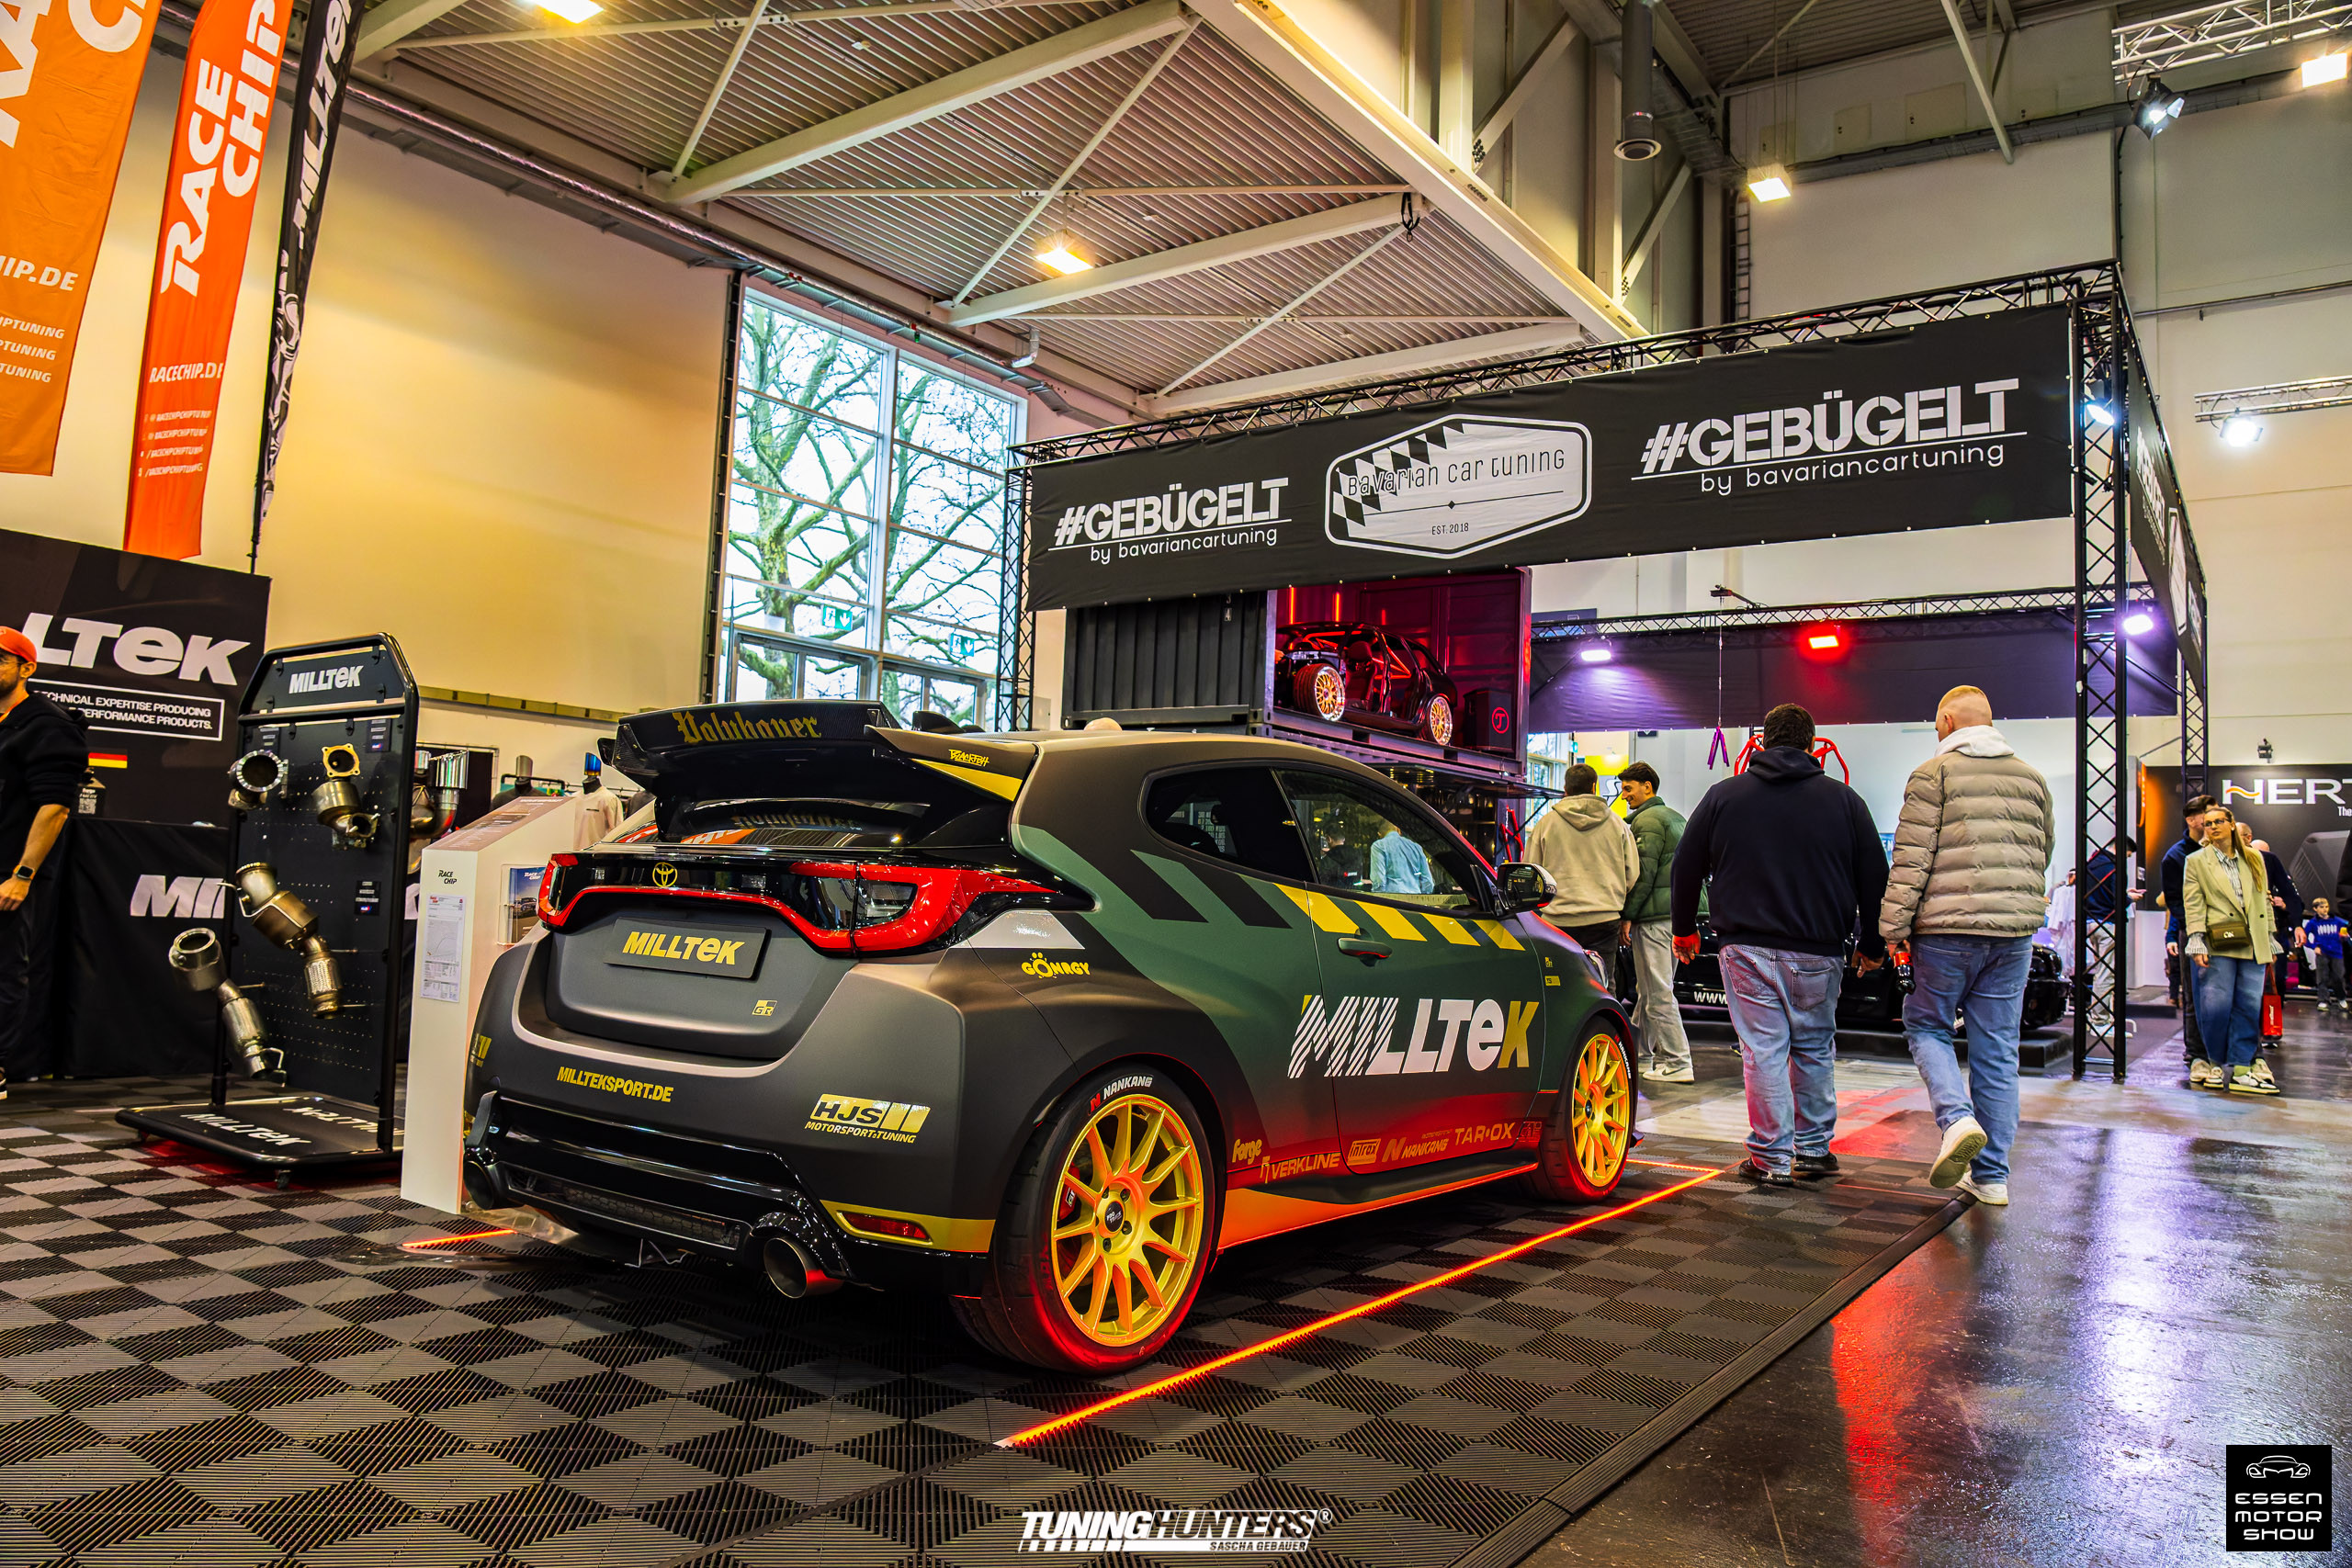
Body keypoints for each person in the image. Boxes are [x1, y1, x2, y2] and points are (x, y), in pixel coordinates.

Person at [1670, 704, 1887, 1187]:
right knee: (1814, 1047)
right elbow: (1875, 876)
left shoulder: (1724, 795)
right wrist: (1872, 942)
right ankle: (1812, 1149)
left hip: (1745, 947)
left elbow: (1685, 863)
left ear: (1763, 742)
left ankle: (1771, 1158)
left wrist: (1684, 927)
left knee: (1764, 1049)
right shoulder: (1845, 801)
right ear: (1813, 746)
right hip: (1820, 949)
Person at [1878, 686, 2054, 1205]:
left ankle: (1956, 1120)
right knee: (1997, 1049)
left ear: (1949, 722)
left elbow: (1911, 860)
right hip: (2013, 933)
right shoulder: (2031, 777)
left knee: (1926, 1025)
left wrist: (1892, 928)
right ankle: (1992, 1177)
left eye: (1937, 724)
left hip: (1946, 931)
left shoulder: (1933, 775)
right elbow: (2042, 850)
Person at [0, 626, 90, 1094]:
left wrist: (22, 874)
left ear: (26, 668)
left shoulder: (48, 725)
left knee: (3, 969)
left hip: (8, 871)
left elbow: (54, 808)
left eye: (0, 660)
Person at [2184, 806, 2278, 1094]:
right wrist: (2196, 939)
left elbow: (2263, 898)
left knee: (2248, 1006)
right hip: (2219, 940)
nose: (2212, 827)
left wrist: (2270, 936)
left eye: (2219, 822)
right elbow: (2193, 903)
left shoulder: (2254, 857)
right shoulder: (2196, 861)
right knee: (2215, 1007)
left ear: (2232, 824)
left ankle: (2241, 1068)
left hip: (2254, 939)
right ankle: (2214, 1062)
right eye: (2208, 823)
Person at [1525, 762, 1639, 981]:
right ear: (1594, 787)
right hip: (1604, 919)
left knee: (1559, 983)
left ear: (1565, 789)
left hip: (1557, 921)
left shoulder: (1546, 824)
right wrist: (1613, 895)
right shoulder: (1617, 824)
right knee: (1602, 982)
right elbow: (1632, 873)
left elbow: (1532, 871)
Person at [1615, 762, 1692, 1084]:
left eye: (1628, 788)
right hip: (1673, 916)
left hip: (1652, 918)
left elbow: (1642, 876)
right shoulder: (1674, 817)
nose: (1624, 796)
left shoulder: (1646, 822)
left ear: (1647, 787)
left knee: (1658, 993)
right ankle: (1642, 1055)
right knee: (1649, 992)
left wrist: (1627, 915)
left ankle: (1678, 1061)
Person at [2151, 794, 2218, 1066]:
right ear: (2192, 820)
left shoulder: (2223, 850)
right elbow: (2175, 901)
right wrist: (2194, 930)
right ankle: (2196, 1052)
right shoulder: (2176, 856)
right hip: (2193, 932)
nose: (2214, 821)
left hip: (2224, 931)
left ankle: (2222, 1050)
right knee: (2194, 996)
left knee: (2224, 993)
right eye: (2208, 815)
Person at [2248, 834, 2301, 1040]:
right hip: (2249, 933)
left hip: (2276, 932)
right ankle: (2254, 1030)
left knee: (2274, 980)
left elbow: (2297, 901)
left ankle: (2271, 1027)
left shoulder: (2278, 872)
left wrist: (2284, 905)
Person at [2303, 897, 2346, 1014]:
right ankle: (2323, 1000)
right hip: (2322, 953)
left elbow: (2346, 931)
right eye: (2321, 907)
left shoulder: (2337, 921)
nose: (2325, 909)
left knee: (2338, 977)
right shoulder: (2313, 923)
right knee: (2322, 978)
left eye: (2326, 906)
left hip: (2337, 953)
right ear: (2315, 909)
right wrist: (2314, 947)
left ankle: (2341, 998)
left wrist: (2344, 936)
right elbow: (2304, 938)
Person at [1368, 821, 1433, 897]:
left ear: (1379, 834)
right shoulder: (1416, 847)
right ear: (1398, 830)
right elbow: (1428, 881)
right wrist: (1422, 897)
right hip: (1415, 899)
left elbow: (1379, 880)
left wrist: (1378, 899)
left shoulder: (1379, 846)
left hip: (1392, 899)